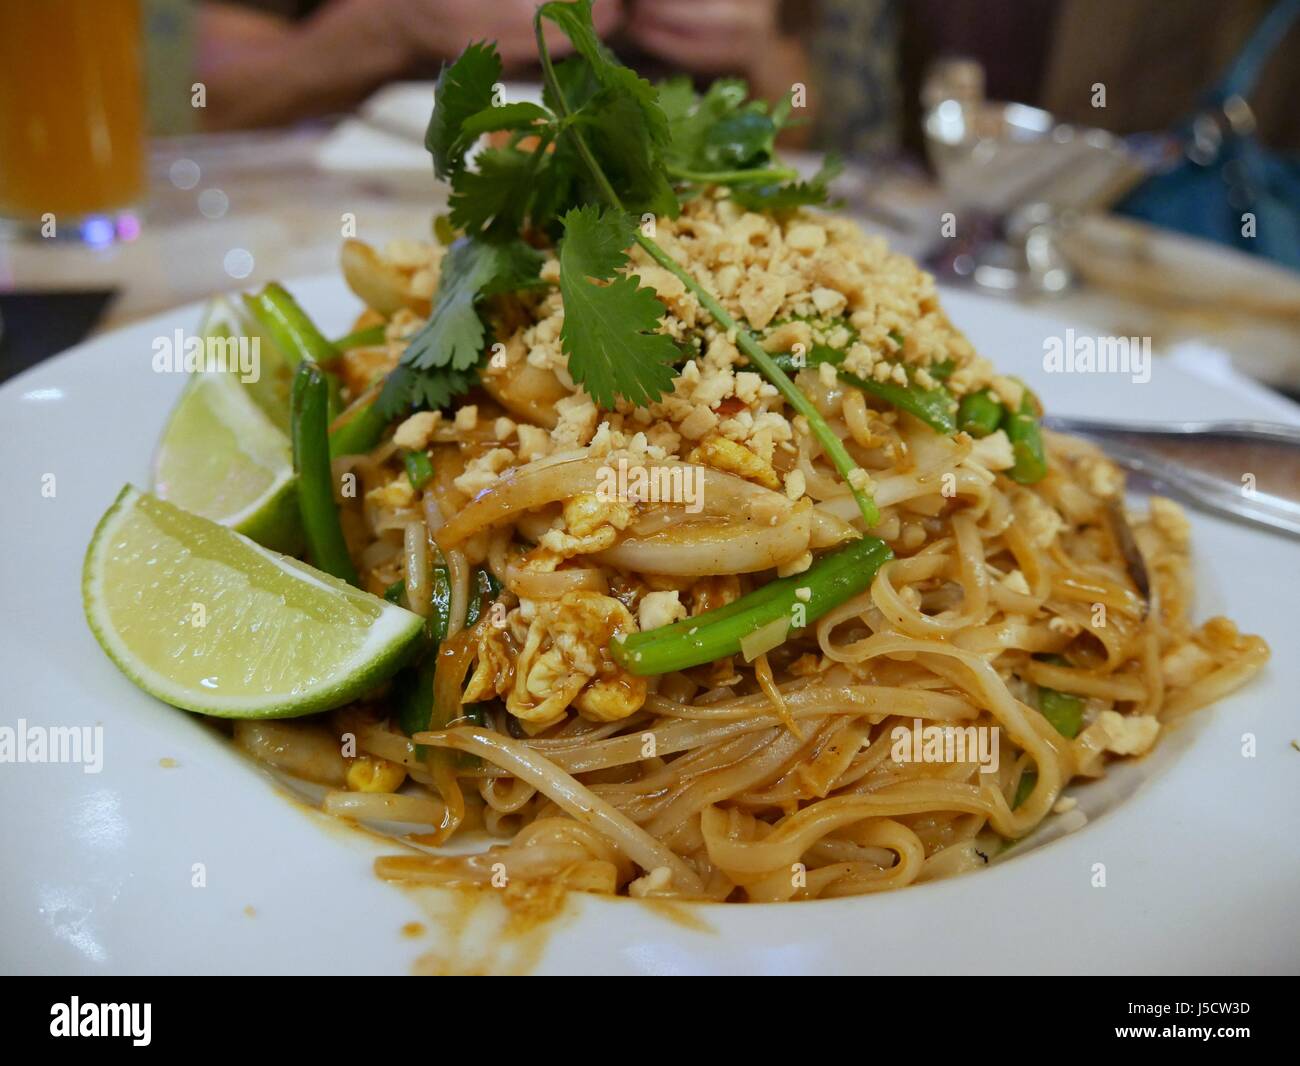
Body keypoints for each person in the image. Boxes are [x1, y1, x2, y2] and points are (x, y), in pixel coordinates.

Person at [197, 0, 812, 132]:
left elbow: (802, 126)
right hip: (336, 227)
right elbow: (204, 95)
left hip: (666, 243)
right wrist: (390, 22)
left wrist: (758, 53)